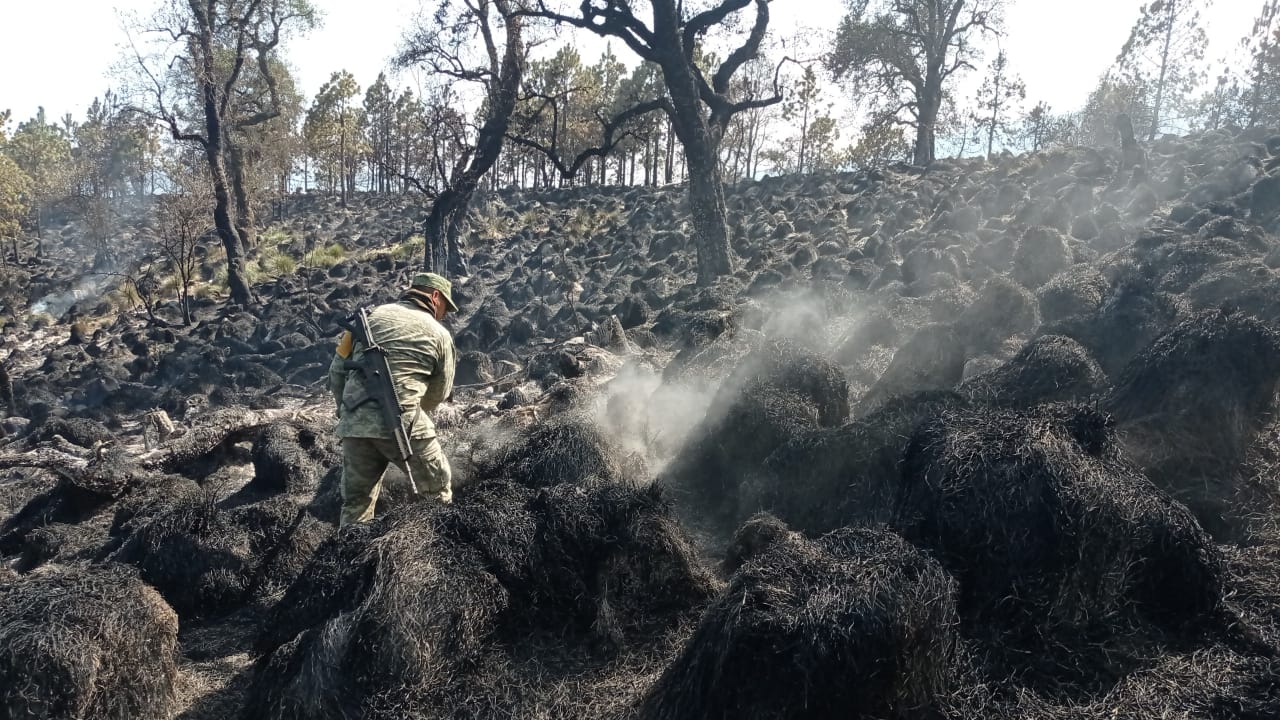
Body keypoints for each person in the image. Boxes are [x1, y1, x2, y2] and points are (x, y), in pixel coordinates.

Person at [328, 272, 458, 525]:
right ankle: (438, 557)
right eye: (445, 306)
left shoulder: (368, 319)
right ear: (434, 296)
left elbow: (336, 372)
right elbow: (439, 393)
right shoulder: (440, 334)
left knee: (356, 505)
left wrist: (346, 412)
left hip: (355, 427)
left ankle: (349, 558)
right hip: (405, 424)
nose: (444, 314)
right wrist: (418, 412)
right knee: (438, 496)